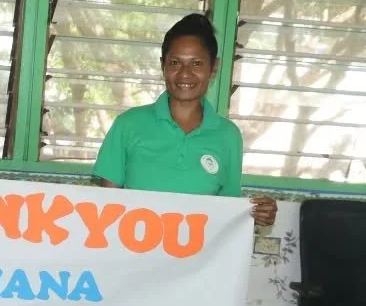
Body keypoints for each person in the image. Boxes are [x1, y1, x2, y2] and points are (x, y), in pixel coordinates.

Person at [94, 12, 277, 227]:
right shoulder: (128, 125)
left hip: (197, 260)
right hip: (133, 257)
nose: (185, 74)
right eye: (175, 62)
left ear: (214, 68)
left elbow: (227, 212)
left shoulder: (228, 135)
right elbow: (106, 209)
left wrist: (257, 214)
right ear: (163, 66)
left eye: (197, 63)